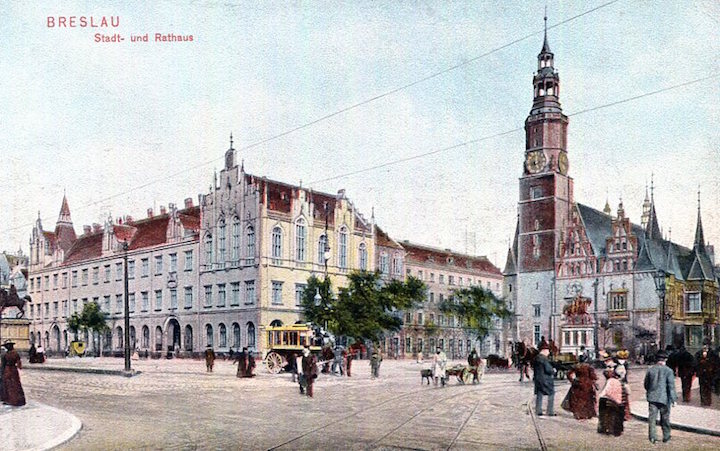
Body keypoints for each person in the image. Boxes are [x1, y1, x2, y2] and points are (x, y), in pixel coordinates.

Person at [644, 350, 677, 444]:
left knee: (652, 419)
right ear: (665, 359)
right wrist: (673, 399)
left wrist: (650, 391)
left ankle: (652, 437)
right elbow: (671, 386)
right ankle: (666, 437)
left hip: (652, 397)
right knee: (665, 418)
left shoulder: (650, 370)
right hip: (664, 398)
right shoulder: (669, 371)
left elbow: (646, 384)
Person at [597, 369, 625, 436]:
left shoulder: (610, 381)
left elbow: (607, 392)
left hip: (610, 400)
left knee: (605, 414)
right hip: (617, 401)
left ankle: (604, 428)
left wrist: (600, 396)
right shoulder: (618, 381)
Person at [1, 340, 26, 406]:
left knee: (9, 385)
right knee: (16, 384)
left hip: (7, 370)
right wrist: (18, 367)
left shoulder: (6, 354)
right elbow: (19, 363)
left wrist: (2, 372)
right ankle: (18, 400)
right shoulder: (16, 353)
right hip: (14, 370)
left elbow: (3, 364)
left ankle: (11, 400)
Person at [533, 343, 555, 416]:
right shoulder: (544, 359)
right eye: (548, 351)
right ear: (544, 350)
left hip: (537, 379)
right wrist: (553, 370)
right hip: (546, 380)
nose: (548, 352)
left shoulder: (536, 358)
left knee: (540, 393)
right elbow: (548, 369)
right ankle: (550, 411)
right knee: (551, 393)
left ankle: (538, 410)